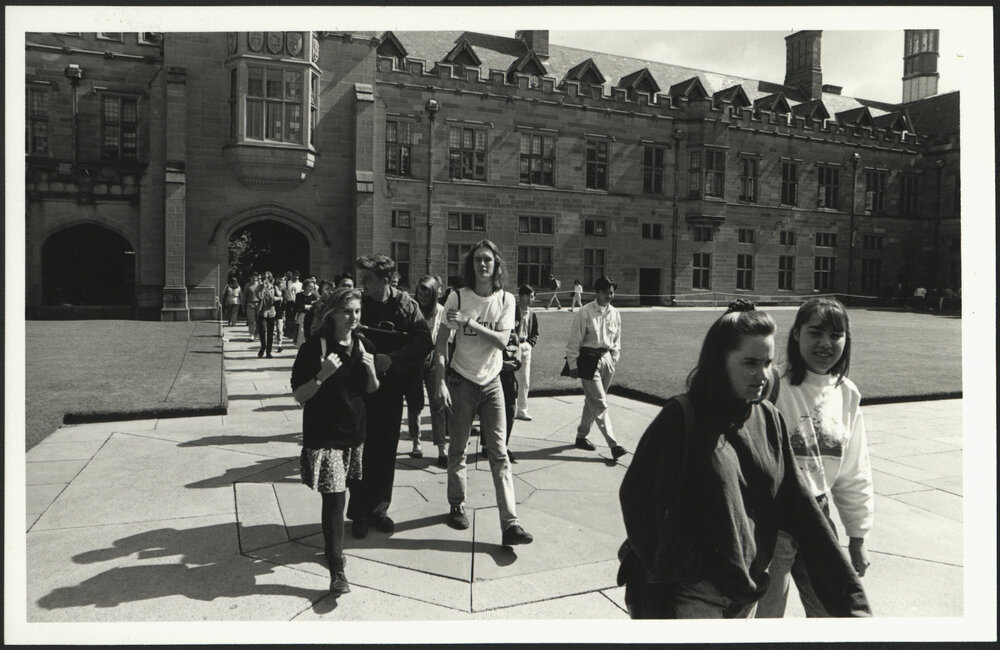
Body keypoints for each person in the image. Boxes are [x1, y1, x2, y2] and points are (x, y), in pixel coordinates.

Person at [617, 299, 871, 619]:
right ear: (719, 361)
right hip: (696, 597)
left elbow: (801, 508)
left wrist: (852, 602)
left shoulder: (768, 418)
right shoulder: (681, 418)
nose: (763, 374)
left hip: (746, 594)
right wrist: (690, 568)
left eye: (767, 362)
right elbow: (640, 503)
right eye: (750, 363)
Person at [756, 297, 874, 617]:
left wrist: (857, 535)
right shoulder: (773, 385)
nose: (825, 343)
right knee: (767, 612)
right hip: (774, 518)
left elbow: (853, 470)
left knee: (830, 611)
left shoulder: (846, 392)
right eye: (815, 332)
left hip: (816, 516)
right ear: (796, 334)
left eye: (835, 335)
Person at [435, 239, 533, 546]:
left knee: (499, 452)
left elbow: (504, 341)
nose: (483, 264)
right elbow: (440, 345)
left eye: (488, 259)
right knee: (458, 449)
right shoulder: (457, 297)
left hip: (492, 382)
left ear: (496, 265)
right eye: (478, 259)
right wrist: (439, 381)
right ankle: (456, 504)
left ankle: (510, 523)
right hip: (462, 381)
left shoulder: (506, 299)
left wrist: (469, 323)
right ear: (471, 264)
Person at [291, 287, 379, 596]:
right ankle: (337, 568)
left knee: (347, 491)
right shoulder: (315, 348)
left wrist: (370, 369)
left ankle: (338, 543)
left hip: (354, 433)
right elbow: (299, 396)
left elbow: (371, 389)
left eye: (357, 311)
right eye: (347, 311)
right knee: (334, 498)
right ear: (331, 313)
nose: (353, 317)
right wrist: (321, 375)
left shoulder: (363, 345)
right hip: (324, 435)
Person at [346, 255, 433, 538]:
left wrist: (393, 359)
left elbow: (424, 341)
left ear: (386, 280)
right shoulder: (357, 303)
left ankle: (379, 509)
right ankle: (358, 512)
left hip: (391, 389)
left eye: (368, 280)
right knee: (359, 451)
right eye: (361, 279)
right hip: (359, 389)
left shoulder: (407, 305)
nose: (363, 285)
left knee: (385, 451)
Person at [565, 275, 627, 461]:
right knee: (599, 403)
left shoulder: (615, 313)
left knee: (591, 401)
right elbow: (574, 340)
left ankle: (581, 436)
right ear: (598, 292)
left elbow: (617, 341)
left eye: (612, 292)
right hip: (588, 360)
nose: (611, 295)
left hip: (607, 359)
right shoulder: (584, 312)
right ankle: (614, 445)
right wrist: (573, 364)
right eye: (608, 292)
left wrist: (613, 359)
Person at [407, 275, 449, 466]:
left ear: (434, 293)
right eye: (420, 291)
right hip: (414, 360)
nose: (423, 295)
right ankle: (416, 443)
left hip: (432, 359)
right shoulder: (411, 309)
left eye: (427, 292)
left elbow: (445, 340)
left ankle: (442, 447)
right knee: (415, 404)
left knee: (437, 404)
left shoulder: (440, 311)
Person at [513, 285, 539, 421]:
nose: (531, 299)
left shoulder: (532, 314)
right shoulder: (512, 311)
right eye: (528, 296)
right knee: (509, 380)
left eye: (532, 296)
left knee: (525, 380)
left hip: (525, 347)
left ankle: (522, 410)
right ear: (520, 297)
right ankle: (508, 408)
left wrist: (530, 344)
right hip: (512, 348)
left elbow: (535, 333)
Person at [256, 272, 278, 358]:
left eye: (267, 278)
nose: (265, 280)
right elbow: (260, 297)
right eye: (264, 278)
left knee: (270, 333)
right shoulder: (259, 287)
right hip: (262, 312)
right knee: (262, 331)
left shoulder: (274, 287)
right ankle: (263, 346)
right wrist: (263, 287)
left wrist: (275, 298)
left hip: (271, 312)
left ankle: (269, 351)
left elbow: (280, 296)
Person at [296, 278, 320, 345]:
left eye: (313, 286)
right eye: (310, 286)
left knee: (310, 333)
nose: (312, 288)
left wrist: (306, 306)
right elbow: (298, 306)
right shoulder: (299, 295)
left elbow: (316, 306)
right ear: (305, 286)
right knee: (301, 333)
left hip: (312, 317)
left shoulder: (314, 296)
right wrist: (309, 306)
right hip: (302, 316)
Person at [283, 271, 303, 341]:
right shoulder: (288, 283)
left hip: (297, 302)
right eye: (294, 276)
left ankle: (294, 334)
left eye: (297, 276)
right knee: (289, 318)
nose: (295, 277)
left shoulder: (300, 284)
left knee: (295, 318)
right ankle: (289, 333)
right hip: (289, 302)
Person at [244, 272, 261, 341]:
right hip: (250, 303)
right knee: (251, 320)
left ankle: (257, 334)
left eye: (256, 277)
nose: (254, 278)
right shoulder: (247, 286)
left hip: (258, 304)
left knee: (258, 320)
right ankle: (251, 335)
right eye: (253, 276)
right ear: (251, 277)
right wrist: (243, 306)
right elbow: (244, 296)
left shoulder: (259, 285)